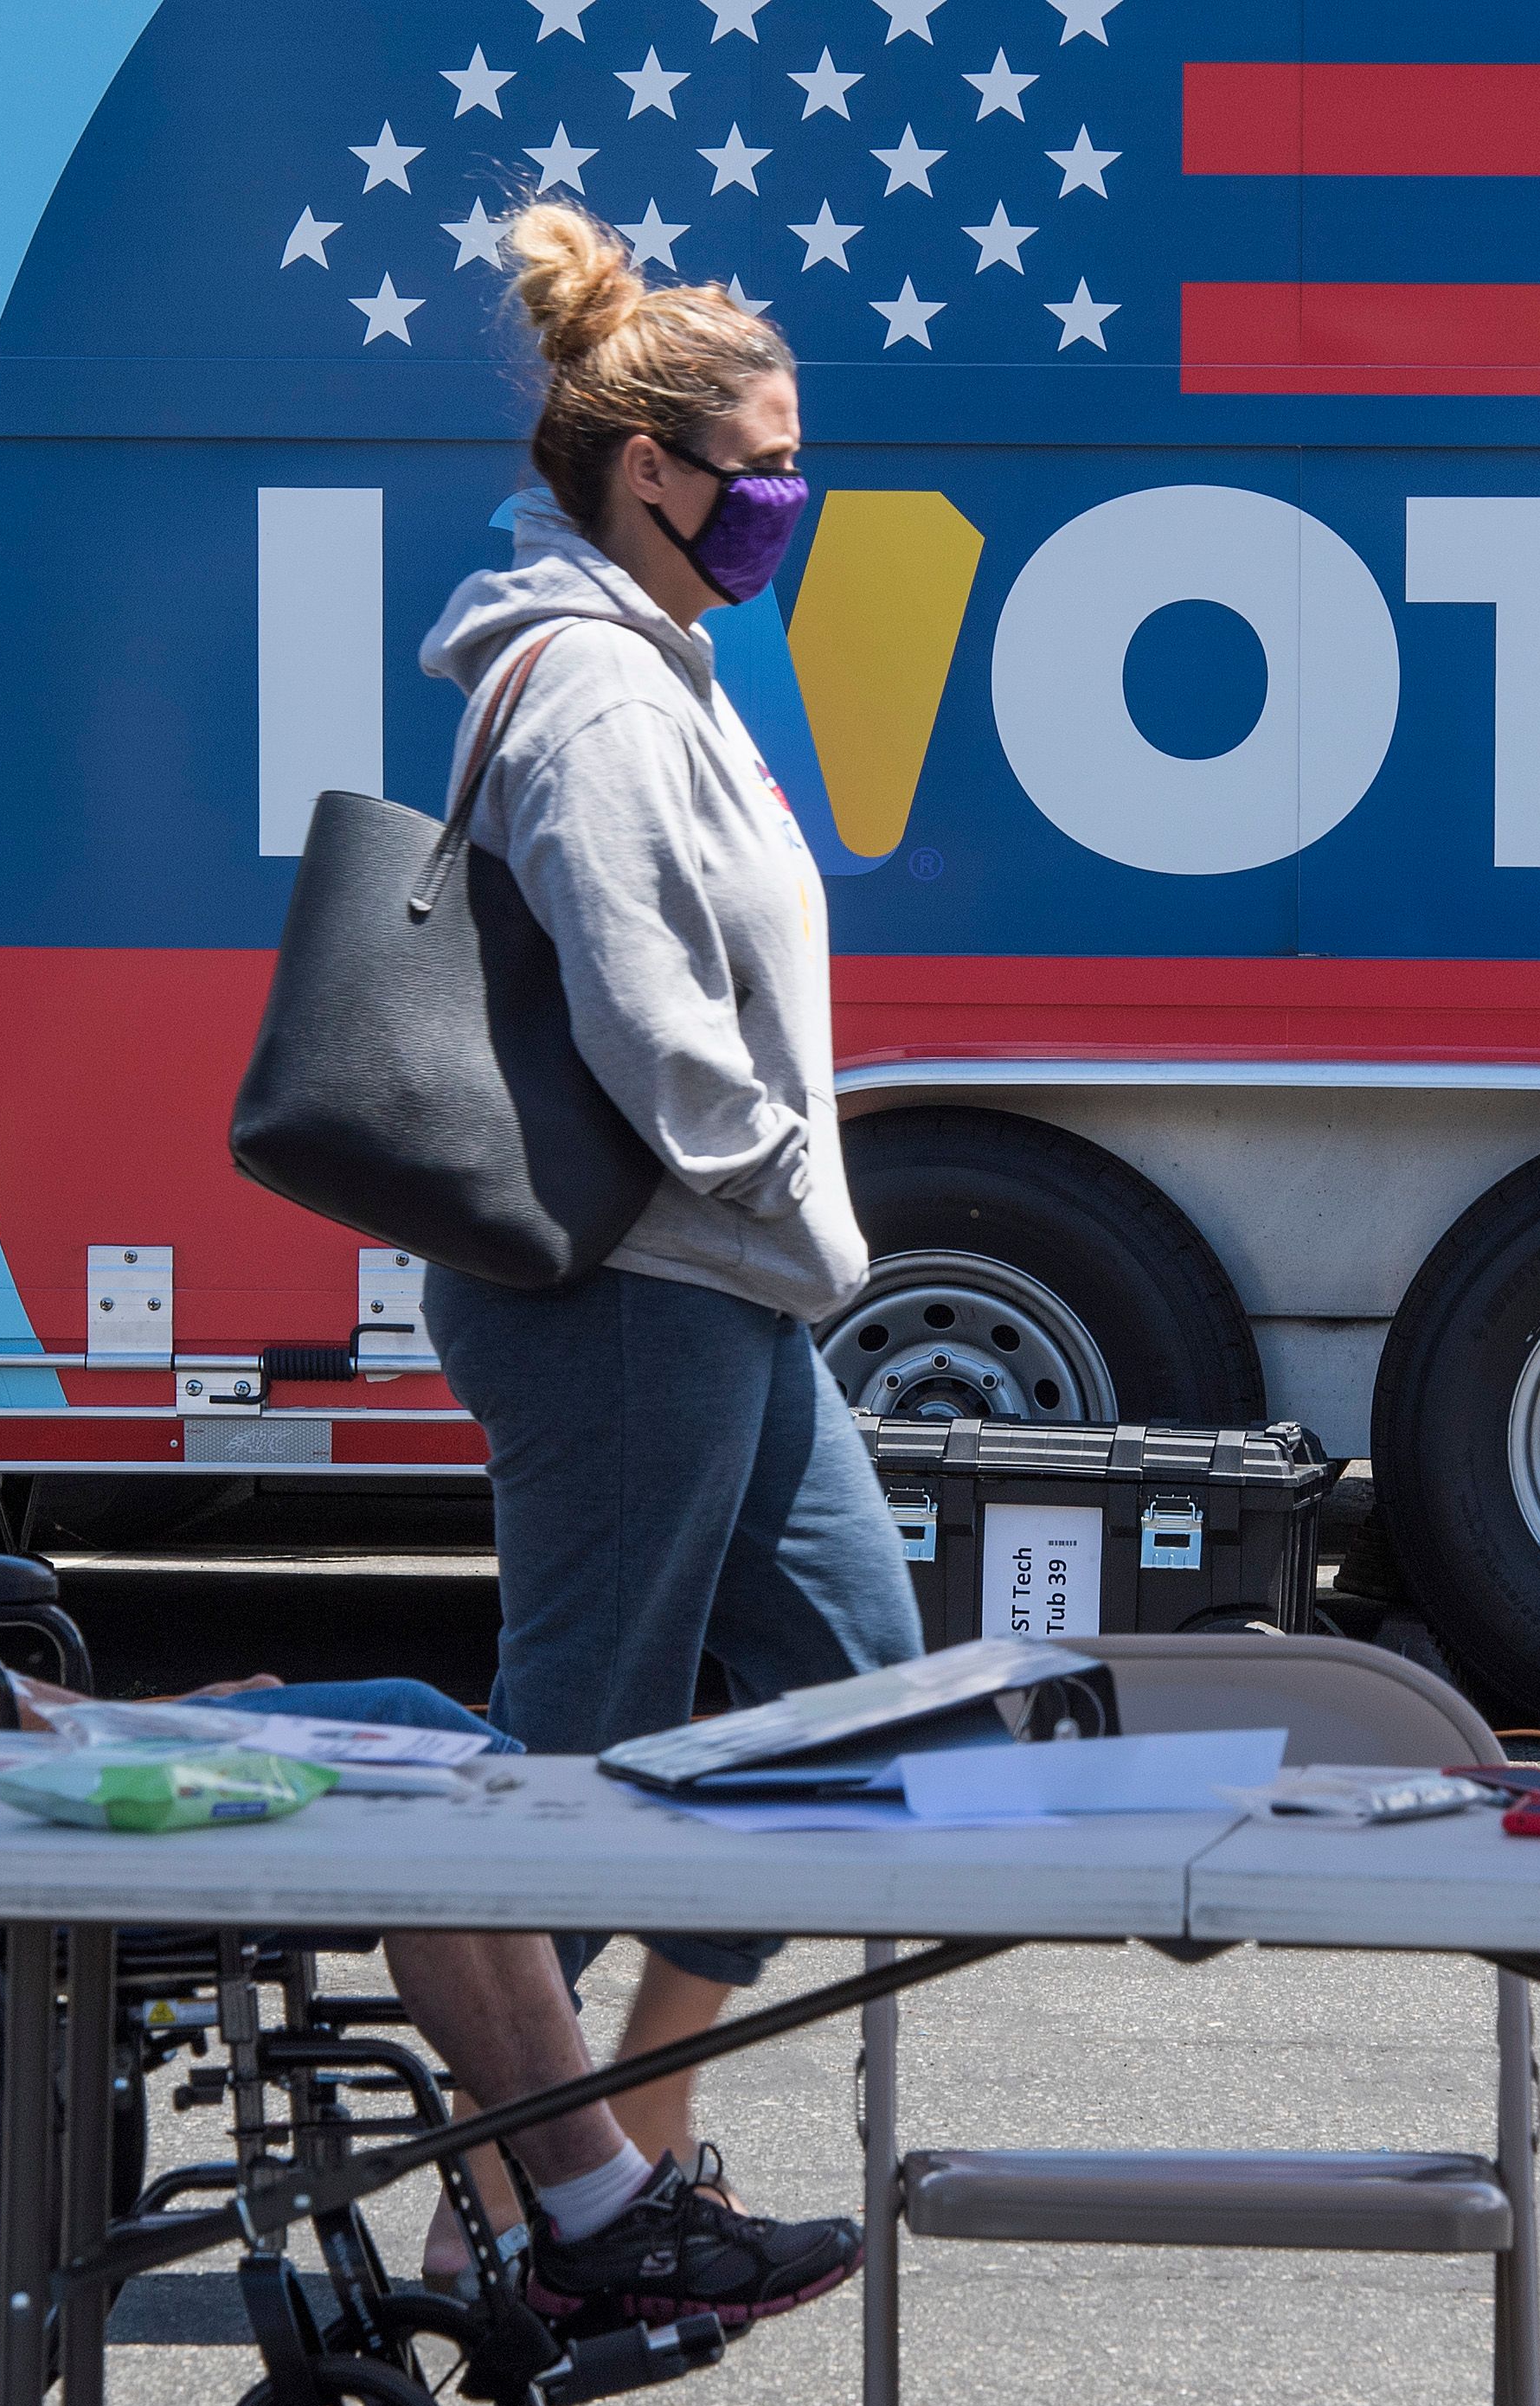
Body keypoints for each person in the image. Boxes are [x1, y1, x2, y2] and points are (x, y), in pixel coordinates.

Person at [0, 934, 862, 2332]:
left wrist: (124, 1713)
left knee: (416, 1740)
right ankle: (594, 2205)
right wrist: (112, 1722)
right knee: (419, 1756)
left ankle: (584, 2198)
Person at [414, 203, 923, 2207]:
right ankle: (516, 2200)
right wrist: (796, 1191)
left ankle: (636, 2119)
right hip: (638, 1284)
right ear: (652, 469)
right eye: (767, 461)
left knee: (855, 1693)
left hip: (715, 1285)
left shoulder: (666, 663)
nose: (790, 499)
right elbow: (648, 1016)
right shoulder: (603, 697)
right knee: (578, 1754)